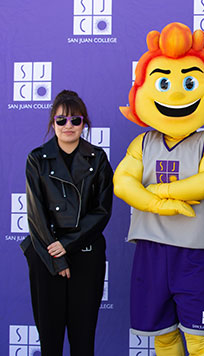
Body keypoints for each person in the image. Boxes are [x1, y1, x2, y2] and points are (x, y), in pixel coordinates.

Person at [113, 23, 204, 356]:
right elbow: (123, 182)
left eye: (189, 82)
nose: (176, 94)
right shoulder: (142, 142)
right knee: (163, 337)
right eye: (164, 83)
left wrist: (158, 193)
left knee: (200, 340)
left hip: (194, 252)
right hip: (151, 250)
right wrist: (156, 204)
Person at [21, 90, 114, 356]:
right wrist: (57, 257)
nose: (68, 126)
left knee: (83, 338)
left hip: (85, 254)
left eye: (76, 120)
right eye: (61, 120)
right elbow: (35, 213)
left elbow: (102, 211)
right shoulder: (36, 159)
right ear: (53, 123)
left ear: (84, 123)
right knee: (49, 339)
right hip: (46, 254)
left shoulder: (98, 159)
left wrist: (69, 245)